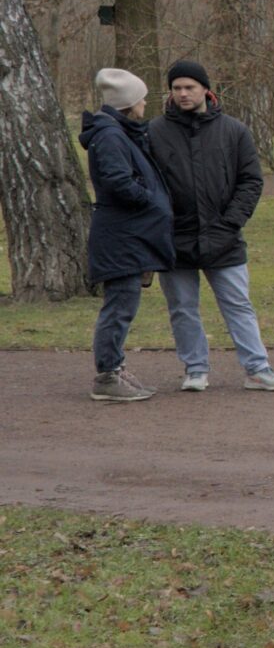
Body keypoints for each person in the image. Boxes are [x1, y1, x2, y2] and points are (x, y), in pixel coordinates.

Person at [148, 58, 274, 393]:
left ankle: (258, 369)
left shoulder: (234, 131)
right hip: (175, 239)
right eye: (177, 88)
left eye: (190, 87)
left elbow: (250, 181)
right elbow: (147, 184)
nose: (183, 93)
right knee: (182, 309)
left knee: (238, 305)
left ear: (205, 90)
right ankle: (195, 369)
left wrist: (230, 223)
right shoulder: (154, 132)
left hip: (225, 237)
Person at [81, 68, 173, 403]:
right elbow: (118, 181)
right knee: (119, 307)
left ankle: (115, 367)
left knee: (124, 306)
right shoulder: (110, 136)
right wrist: (149, 199)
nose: (145, 104)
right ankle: (107, 375)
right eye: (141, 99)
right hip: (120, 238)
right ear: (129, 103)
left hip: (127, 235)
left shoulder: (118, 132)